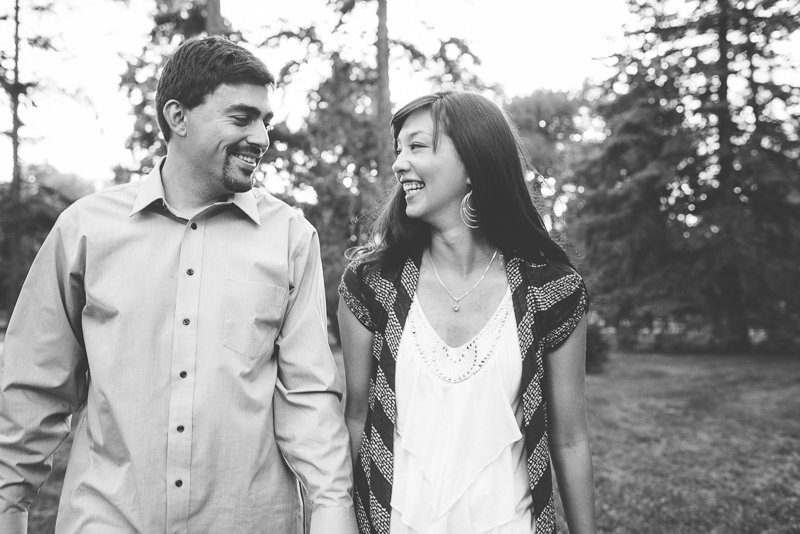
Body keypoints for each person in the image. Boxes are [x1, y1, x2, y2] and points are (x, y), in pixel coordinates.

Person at [0, 36, 356, 534]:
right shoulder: (84, 230)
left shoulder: (291, 237)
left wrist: (333, 509)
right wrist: (9, 506)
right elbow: (32, 390)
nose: (261, 138)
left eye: (265, 121)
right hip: (108, 518)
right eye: (241, 117)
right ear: (177, 116)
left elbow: (309, 398)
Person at [338, 91, 596, 534]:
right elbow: (355, 418)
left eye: (417, 146)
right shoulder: (370, 283)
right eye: (399, 149)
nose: (399, 163)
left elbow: (569, 438)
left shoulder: (550, 290)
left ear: (474, 162)